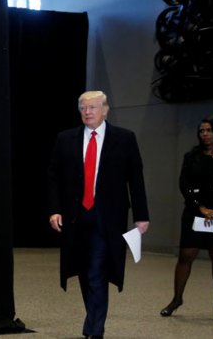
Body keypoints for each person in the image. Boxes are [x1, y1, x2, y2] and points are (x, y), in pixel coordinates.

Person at [47, 91, 150, 339]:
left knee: (96, 270)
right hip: (76, 216)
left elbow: (135, 178)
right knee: (84, 270)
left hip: (107, 217)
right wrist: (54, 209)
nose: (87, 112)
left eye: (92, 107)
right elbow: (53, 176)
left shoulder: (124, 139)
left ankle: (95, 329)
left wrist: (141, 215)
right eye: (83, 108)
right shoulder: (66, 139)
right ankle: (92, 320)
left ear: (105, 110)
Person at [160, 116, 213, 322]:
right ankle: (177, 299)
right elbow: (184, 184)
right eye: (201, 130)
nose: (204, 134)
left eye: (208, 130)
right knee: (186, 255)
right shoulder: (192, 156)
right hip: (195, 212)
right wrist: (200, 207)